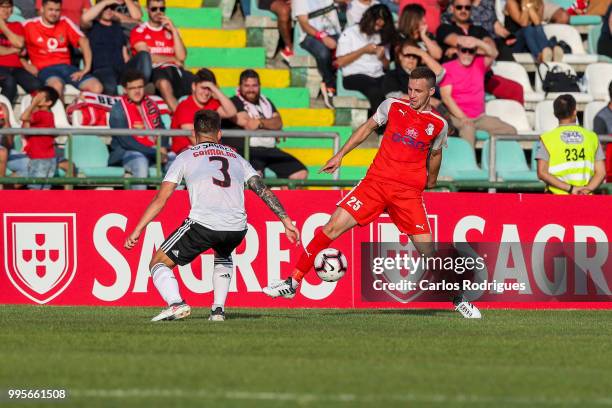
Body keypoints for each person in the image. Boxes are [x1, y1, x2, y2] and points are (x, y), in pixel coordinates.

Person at [262, 67, 482, 319]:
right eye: (410, 89)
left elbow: (435, 154)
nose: (412, 95)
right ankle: (292, 283)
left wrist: (430, 180)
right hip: (375, 184)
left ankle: (459, 299)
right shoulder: (391, 106)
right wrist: (341, 154)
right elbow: (366, 128)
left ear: (431, 92)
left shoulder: (439, 125)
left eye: (418, 91)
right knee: (330, 228)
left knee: (429, 253)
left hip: (407, 194)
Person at [124, 109, 300, 322]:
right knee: (223, 253)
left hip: (203, 223)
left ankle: (176, 303)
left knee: (158, 263)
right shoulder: (236, 157)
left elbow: (161, 199)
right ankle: (218, 311)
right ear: (219, 134)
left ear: (195, 134)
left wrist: (138, 229)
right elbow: (262, 189)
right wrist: (286, 220)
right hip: (237, 227)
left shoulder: (186, 156)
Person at [228, 69, 308, 184]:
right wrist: (270, 124)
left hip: (270, 148)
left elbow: (278, 122)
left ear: (259, 86)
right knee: (256, 179)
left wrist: (260, 122)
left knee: (299, 173)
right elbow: (249, 124)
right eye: (247, 86)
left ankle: (282, 200)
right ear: (240, 86)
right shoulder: (234, 102)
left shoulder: (266, 102)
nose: (251, 89)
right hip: (248, 151)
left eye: (254, 85)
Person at [436, 0, 524, 104]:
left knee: (516, 89)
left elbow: (493, 50)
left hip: (483, 77)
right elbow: (461, 42)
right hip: (459, 80)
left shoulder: (479, 30)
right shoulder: (444, 29)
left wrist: (459, 49)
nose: (463, 10)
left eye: (467, 8)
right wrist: (481, 47)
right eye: (459, 7)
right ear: (452, 9)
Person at [439, 36, 517, 146]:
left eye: (471, 51)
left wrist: (477, 42)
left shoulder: (479, 63)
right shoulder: (448, 67)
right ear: (457, 50)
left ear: (475, 52)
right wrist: (463, 117)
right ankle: (466, 163)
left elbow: (494, 53)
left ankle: (493, 160)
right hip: (457, 117)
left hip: (479, 117)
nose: (467, 54)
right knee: (468, 129)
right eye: (463, 50)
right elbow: (446, 98)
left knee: (510, 131)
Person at [23, 0, 103, 100]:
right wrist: (26, 65)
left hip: (67, 68)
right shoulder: (29, 25)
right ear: (42, 9)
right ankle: (61, 114)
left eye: (57, 10)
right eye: (50, 10)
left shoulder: (64, 21)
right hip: (45, 69)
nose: (54, 13)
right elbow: (14, 47)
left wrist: (86, 69)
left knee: (97, 87)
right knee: (57, 86)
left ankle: (74, 106)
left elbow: (84, 41)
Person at [108, 69, 168, 190]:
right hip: (127, 153)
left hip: (154, 151)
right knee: (140, 162)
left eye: (140, 87)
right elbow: (126, 142)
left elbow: (162, 129)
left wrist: (163, 146)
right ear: (125, 90)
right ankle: (139, 206)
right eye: (132, 88)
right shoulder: (118, 110)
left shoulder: (151, 104)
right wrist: (155, 152)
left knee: (176, 161)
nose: (137, 91)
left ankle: (174, 204)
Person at [129, 0, 194, 113]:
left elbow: (182, 57)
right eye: (154, 9)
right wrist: (172, 59)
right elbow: (147, 57)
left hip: (175, 70)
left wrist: (174, 30)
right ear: (147, 10)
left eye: (161, 9)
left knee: (204, 82)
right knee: (164, 84)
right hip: (156, 70)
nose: (158, 12)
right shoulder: (139, 31)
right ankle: (182, 120)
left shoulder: (170, 30)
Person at [536, 94, 606, 194]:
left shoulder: (547, 139)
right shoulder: (592, 137)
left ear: (555, 114)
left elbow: (541, 172)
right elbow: (601, 172)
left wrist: (571, 189)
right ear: (575, 112)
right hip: (585, 199)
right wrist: (586, 190)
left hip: (556, 199)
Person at [81, 0, 151, 95]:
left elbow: (138, 21)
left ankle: (141, 87)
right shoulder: (92, 26)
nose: (109, 10)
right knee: (110, 85)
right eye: (105, 7)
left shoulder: (118, 26)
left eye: (112, 7)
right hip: (102, 70)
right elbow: (84, 18)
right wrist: (106, 2)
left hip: (121, 70)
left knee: (144, 55)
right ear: (99, 8)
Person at [336, 5, 395, 116]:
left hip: (378, 74)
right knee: (375, 90)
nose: (378, 28)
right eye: (376, 24)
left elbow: (386, 66)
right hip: (354, 75)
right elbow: (340, 62)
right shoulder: (350, 33)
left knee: (395, 87)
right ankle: (381, 128)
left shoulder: (382, 36)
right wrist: (363, 50)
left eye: (381, 26)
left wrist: (382, 57)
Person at [170, 68, 237, 155]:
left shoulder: (211, 103)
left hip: (210, 151)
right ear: (194, 86)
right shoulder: (185, 106)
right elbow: (196, 140)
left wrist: (215, 89)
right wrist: (219, 152)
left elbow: (231, 112)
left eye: (209, 89)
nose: (206, 93)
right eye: (203, 88)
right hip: (186, 153)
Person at [292, 0, 342, 109]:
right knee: (323, 53)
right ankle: (329, 85)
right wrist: (323, 37)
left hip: (335, 34)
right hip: (309, 36)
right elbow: (304, 24)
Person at [0, 0, 41, 103]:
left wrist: (3, 27)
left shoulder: (17, 25)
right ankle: (2, 115)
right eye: (2, 7)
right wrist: (14, 49)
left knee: (36, 85)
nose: (6, 10)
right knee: (9, 82)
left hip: (17, 67)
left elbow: (20, 44)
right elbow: (17, 47)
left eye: (9, 7)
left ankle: (35, 116)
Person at [20, 86, 59, 190]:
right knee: (44, 189)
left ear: (48, 102)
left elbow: (23, 117)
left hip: (40, 158)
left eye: (41, 97)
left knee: (35, 188)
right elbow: (26, 127)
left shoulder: (41, 114)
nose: (37, 98)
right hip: (48, 158)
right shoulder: (48, 114)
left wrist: (33, 104)